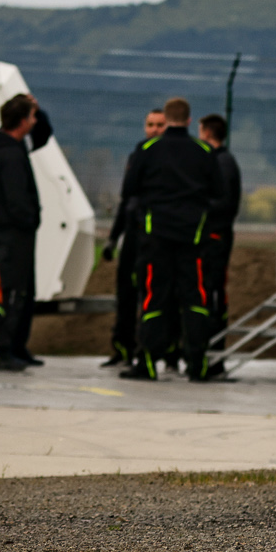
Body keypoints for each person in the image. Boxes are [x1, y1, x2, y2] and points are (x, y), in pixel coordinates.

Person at [118, 96, 223, 381]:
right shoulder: (203, 151)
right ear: (189, 120)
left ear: (166, 119)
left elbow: (129, 190)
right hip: (194, 238)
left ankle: (149, 363)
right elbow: (218, 192)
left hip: (157, 238)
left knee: (155, 298)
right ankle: (197, 364)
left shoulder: (148, 149)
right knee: (196, 300)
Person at [0, 92, 51, 372]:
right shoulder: (9, 155)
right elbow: (17, 201)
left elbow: (43, 134)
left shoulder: (1, 146)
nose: (35, 122)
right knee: (4, 294)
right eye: (31, 117)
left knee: (12, 292)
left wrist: (37, 109)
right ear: (22, 121)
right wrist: (31, 221)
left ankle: (12, 346)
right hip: (8, 237)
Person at [102, 108, 166, 369]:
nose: (154, 129)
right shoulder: (138, 153)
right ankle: (122, 347)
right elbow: (126, 199)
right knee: (125, 293)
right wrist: (113, 237)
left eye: (159, 125)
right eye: (150, 124)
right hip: (132, 232)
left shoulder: (169, 157)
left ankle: (151, 351)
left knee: (151, 295)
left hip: (155, 235)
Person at [196, 113, 241, 351]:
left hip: (216, 236)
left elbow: (223, 202)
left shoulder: (221, 163)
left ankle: (214, 350)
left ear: (207, 133)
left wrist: (196, 204)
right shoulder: (222, 161)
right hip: (215, 235)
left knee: (213, 293)